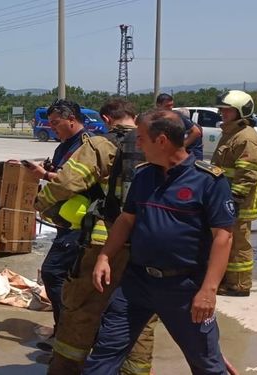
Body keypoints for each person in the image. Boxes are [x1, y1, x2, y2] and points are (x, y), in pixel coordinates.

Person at [83, 109, 235, 374]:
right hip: (137, 283)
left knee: (206, 363)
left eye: (141, 138)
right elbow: (126, 220)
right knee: (105, 353)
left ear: (161, 140)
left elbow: (224, 237)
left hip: (185, 289)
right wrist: (105, 256)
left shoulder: (207, 181)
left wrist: (208, 291)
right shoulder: (144, 175)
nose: (137, 143)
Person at [47, 99, 156, 375]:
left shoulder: (100, 144)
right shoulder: (156, 145)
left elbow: (66, 182)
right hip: (148, 244)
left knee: (82, 309)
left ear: (107, 119)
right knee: (139, 317)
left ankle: (68, 369)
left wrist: (43, 205)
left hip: (103, 242)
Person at [30, 99, 108, 349]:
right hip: (68, 221)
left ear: (72, 119)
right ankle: (64, 332)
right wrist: (49, 169)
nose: (51, 127)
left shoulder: (86, 146)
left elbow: (70, 183)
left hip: (82, 224)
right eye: (49, 122)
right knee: (62, 277)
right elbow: (62, 174)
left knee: (54, 274)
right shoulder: (64, 145)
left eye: (56, 122)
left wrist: (44, 179)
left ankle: (72, 334)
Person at [211, 90, 257, 297]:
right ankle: (227, 281)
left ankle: (239, 285)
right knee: (227, 241)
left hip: (239, 201)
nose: (223, 114)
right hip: (226, 198)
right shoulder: (231, 133)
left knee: (239, 243)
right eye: (222, 110)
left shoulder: (246, 137)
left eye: (227, 111)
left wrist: (235, 199)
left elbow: (248, 172)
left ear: (241, 112)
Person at [156, 93, 204, 159]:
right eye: (167, 106)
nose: (170, 108)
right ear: (158, 106)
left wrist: (180, 147)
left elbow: (196, 132)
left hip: (190, 156)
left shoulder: (177, 116)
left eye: (171, 105)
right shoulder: (157, 119)